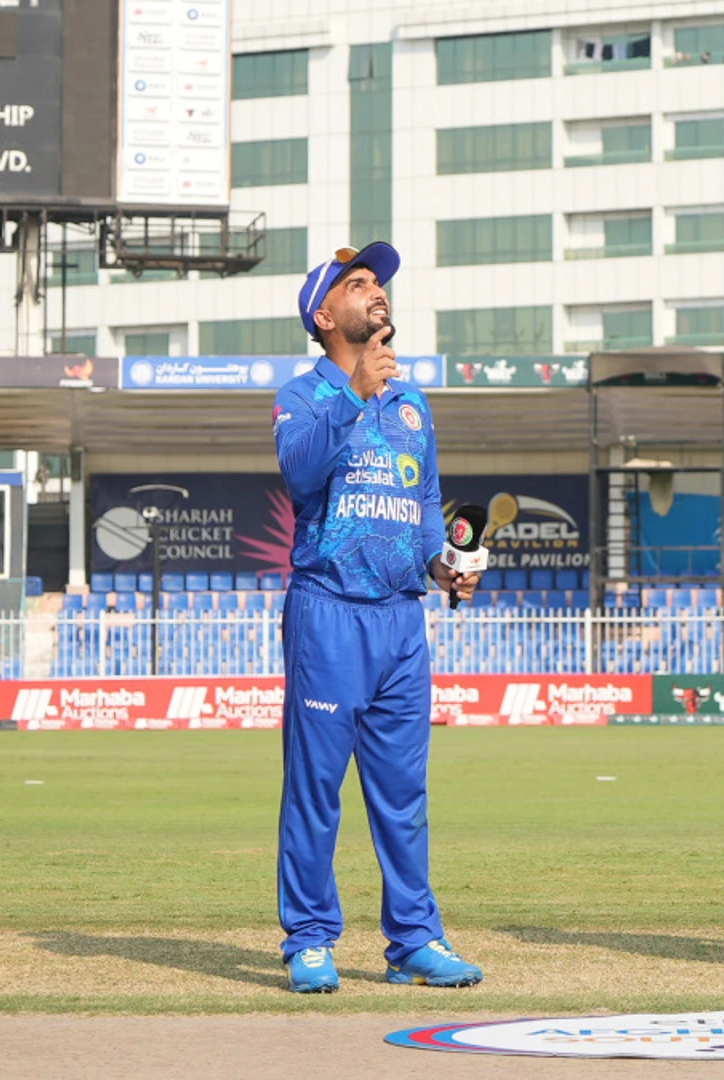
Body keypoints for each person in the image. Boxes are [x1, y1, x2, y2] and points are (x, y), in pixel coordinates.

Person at [271, 243, 483, 993]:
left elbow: (425, 508)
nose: (378, 294)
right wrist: (355, 391)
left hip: (401, 622)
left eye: (380, 284)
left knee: (403, 793)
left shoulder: (413, 402)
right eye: (359, 286)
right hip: (327, 612)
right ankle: (308, 938)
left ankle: (415, 940)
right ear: (325, 316)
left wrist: (443, 566)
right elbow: (299, 473)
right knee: (315, 787)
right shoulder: (302, 396)